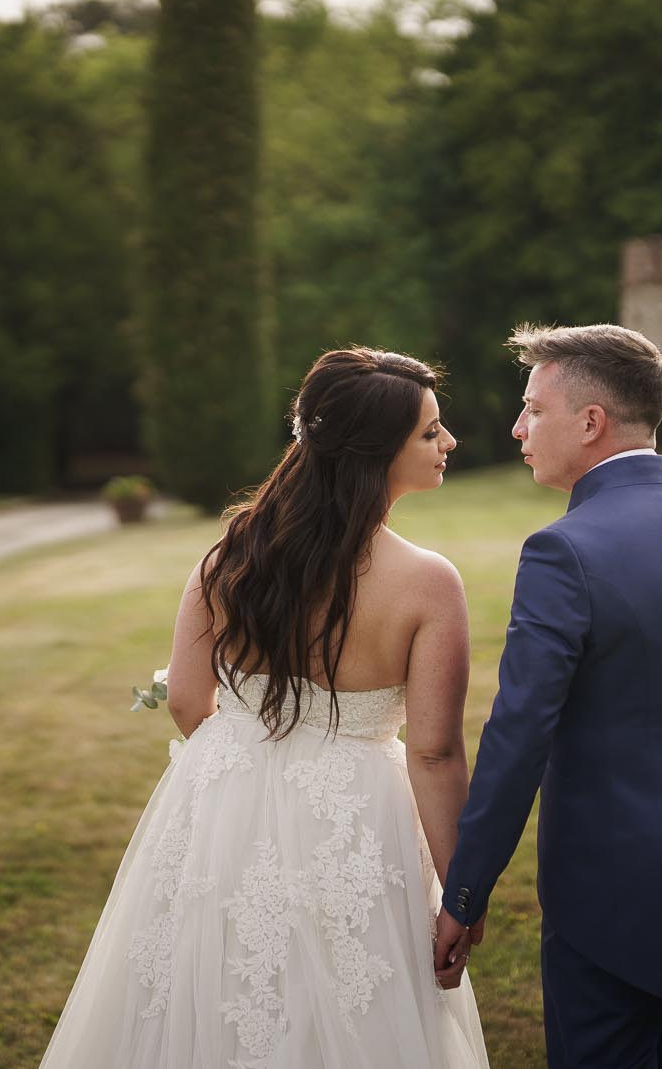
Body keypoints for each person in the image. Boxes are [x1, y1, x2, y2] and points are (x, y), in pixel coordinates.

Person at [40, 347, 490, 1068]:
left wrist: (243, 763)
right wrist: (462, 894)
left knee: (209, 987)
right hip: (354, 818)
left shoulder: (232, 553)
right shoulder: (427, 582)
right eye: (431, 431)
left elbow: (187, 700)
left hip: (222, 804)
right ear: (374, 451)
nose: (450, 441)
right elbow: (434, 753)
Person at [432, 323, 662, 1069]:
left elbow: (519, 735)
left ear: (591, 422)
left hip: (605, 899)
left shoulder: (563, 550)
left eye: (533, 409)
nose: (517, 428)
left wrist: (465, 891)